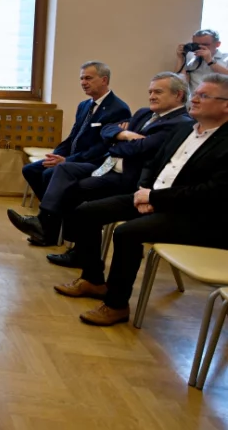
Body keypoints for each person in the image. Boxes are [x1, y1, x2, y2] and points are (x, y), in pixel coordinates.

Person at [54, 74, 228, 327]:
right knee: (86, 211)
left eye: (204, 96)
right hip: (154, 196)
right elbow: (154, 163)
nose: (195, 99)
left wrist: (155, 197)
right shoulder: (184, 129)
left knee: (127, 233)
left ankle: (116, 305)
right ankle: (93, 280)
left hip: (197, 215)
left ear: (225, 105)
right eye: (196, 94)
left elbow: (210, 192)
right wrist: (144, 191)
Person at [9, 72, 191, 265]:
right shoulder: (144, 113)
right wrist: (124, 135)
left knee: (75, 190)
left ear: (178, 95)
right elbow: (108, 131)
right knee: (61, 174)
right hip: (108, 165)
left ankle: (68, 243)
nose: (151, 96)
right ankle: (49, 226)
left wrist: (116, 141)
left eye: (158, 92)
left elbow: (140, 148)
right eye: (150, 91)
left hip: (129, 178)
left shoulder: (179, 123)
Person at [9, 61, 130, 246]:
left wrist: (66, 160)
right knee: (32, 170)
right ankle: (52, 224)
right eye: (81, 78)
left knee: (51, 173)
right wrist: (55, 155)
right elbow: (73, 136)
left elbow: (102, 148)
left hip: (96, 162)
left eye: (88, 78)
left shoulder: (118, 108)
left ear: (104, 80)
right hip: (71, 160)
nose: (83, 82)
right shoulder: (84, 105)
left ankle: (46, 226)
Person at [175, 28, 228, 93]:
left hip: (218, 100)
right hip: (194, 100)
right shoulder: (193, 60)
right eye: (196, 44)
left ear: (218, 44)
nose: (200, 47)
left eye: (205, 44)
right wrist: (181, 59)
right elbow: (180, 82)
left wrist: (210, 61)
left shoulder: (226, 58)